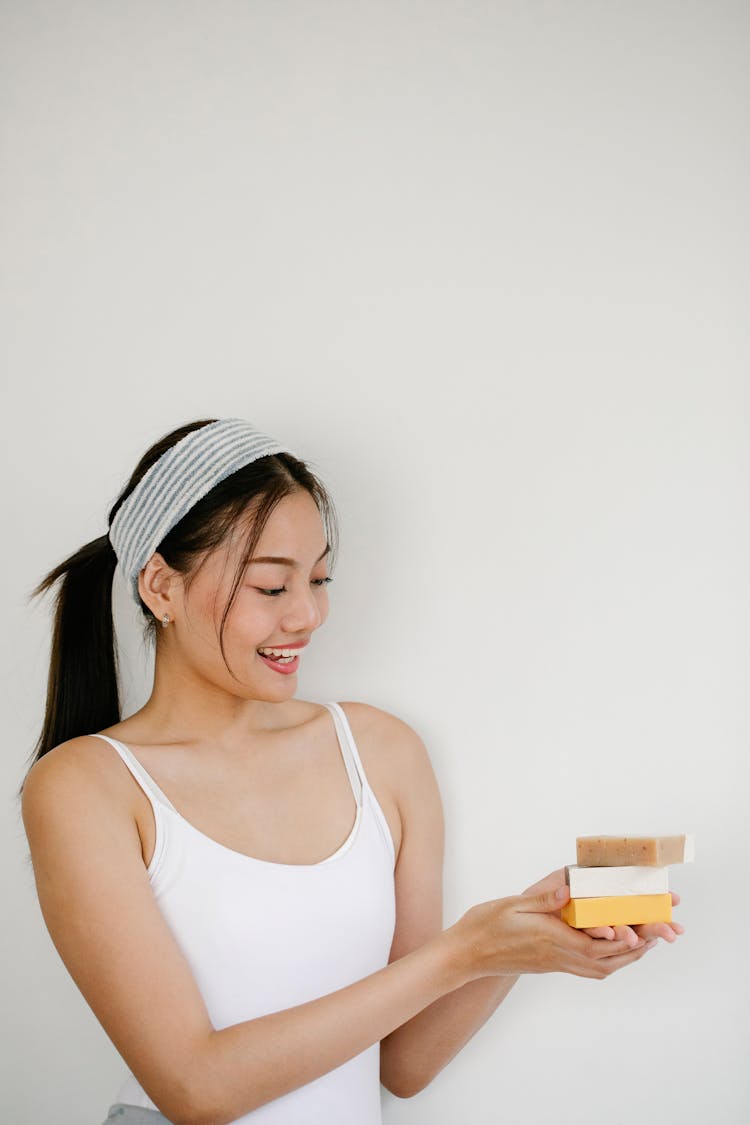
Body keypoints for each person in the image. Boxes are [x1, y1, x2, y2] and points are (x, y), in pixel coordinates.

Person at [19, 417, 683, 1125]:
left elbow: (404, 1062)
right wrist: (464, 949)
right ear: (160, 586)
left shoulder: (382, 752)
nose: (308, 613)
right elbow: (195, 1089)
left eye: (319, 577)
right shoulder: (85, 786)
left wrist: (523, 933)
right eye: (271, 587)